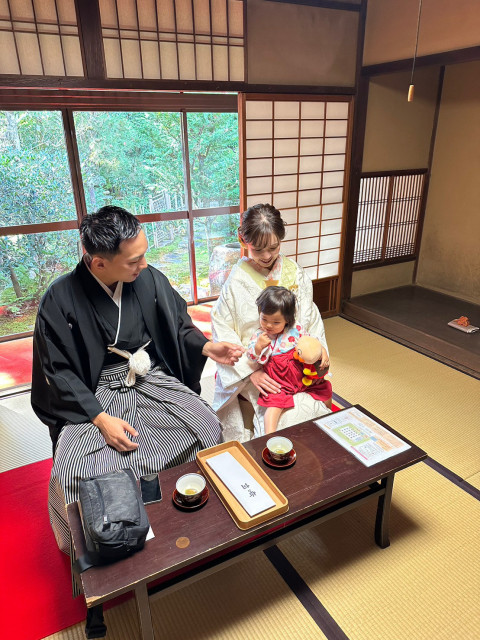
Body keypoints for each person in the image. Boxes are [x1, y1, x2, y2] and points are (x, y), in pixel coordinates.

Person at [31, 205, 243, 554]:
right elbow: (58, 371)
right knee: (72, 471)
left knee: (205, 425)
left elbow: (177, 323)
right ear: (98, 262)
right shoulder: (60, 298)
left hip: (148, 375)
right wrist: (100, 420)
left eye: (143, 255)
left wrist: (207, 348)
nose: (144, 265)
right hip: (93, 394)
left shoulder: (146, 277)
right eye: (133, 261)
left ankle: (187, 512)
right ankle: (101, 548)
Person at [211, 203, 331, 442]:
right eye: (258, 249)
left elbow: (310, 318)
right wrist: (249, 373)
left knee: (313, 410)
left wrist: (320, 350)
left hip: (296, 365)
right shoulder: (235, 282)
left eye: (273, 248)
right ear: (242, 239)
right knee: (282, 419)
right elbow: (222, 330)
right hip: (257, 367)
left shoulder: (294, 274)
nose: (266, 256)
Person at [246, 286, 332, 434]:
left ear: (287, 320)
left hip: (301, 375)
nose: (268, 325)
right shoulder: (260, 335)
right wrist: (258, 347)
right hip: (279, 382)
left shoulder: (296, 329)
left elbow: (311, 342)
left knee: (325, 389)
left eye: (276, 322)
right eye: (264, 319)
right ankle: (269, 436)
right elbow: (251, 357)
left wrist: (322, 352)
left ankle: (330, 419)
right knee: (274, 407)